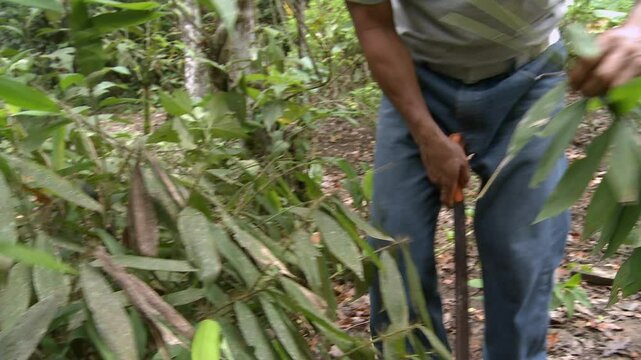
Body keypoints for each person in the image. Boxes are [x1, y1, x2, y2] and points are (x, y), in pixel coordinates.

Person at [345, 1, 641, 359]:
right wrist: (425, 134)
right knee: (394, 248)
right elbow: (372, 24)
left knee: (522, 252)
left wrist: (635, 30)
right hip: (412, 74)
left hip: (532, 76)